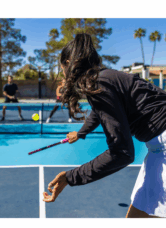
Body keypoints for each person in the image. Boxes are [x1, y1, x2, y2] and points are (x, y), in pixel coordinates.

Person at [43, 33, 166, 218]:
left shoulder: (100, 84)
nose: (62, 74)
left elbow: (122, 153)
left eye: (62, 68)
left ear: (69, 63)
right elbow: (99, 112)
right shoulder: (105, 78)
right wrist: (81, 132)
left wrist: (70, 177)